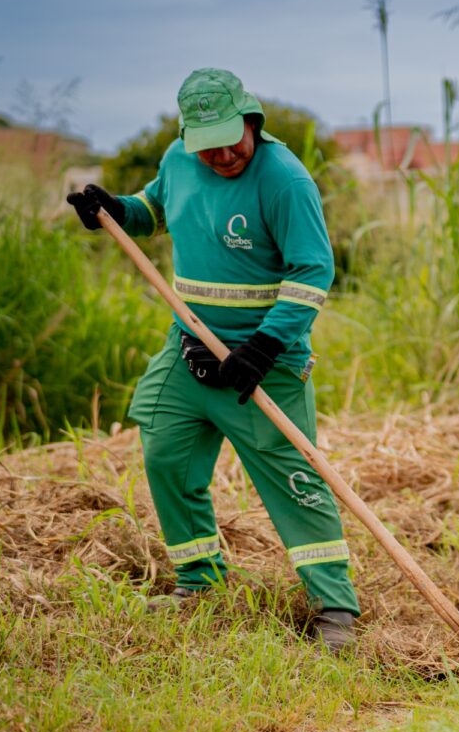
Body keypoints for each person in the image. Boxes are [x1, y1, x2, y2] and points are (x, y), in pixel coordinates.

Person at [67, 68, 359, 650]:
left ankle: (335, 610)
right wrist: (115, 210)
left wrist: (266, 345)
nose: (223, 154)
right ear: (186, 138)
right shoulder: (179, 160)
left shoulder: (285, 180)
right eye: (207, 145)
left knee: (296, 481)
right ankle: (199, 582)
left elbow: (312, 271)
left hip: (263, 364)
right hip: (189, 351)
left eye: (232, 138)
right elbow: (153, 211)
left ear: (252, 121)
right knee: (165, 453)